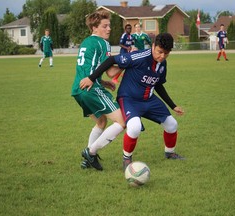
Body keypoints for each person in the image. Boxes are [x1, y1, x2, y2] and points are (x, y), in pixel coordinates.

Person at [80, 33, 185, 171]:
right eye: (160, 52)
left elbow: (158, 84)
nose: (162, 56)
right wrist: (92, 78)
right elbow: (111, 60)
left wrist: (173, 105)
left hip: (149, 100)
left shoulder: (162, 64)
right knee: (134, 127)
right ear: (153, 46)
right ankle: (127, 158)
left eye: (166, 53)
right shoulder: (138, 57)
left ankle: (170, 153)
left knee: (172, 124)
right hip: (129, 99)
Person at [71, 10, 125, 171]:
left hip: (78, 90)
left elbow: (89, 68)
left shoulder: (87, 42)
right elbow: (111, 71)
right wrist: (129, 62)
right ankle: (91, 152)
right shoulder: (103, 43)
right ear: (94, 27)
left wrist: (104, 82)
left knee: (101, 122)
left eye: (109, 26)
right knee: (121, 122)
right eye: (105, 26)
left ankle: (87, 161)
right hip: (91, 89)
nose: (109, 29)